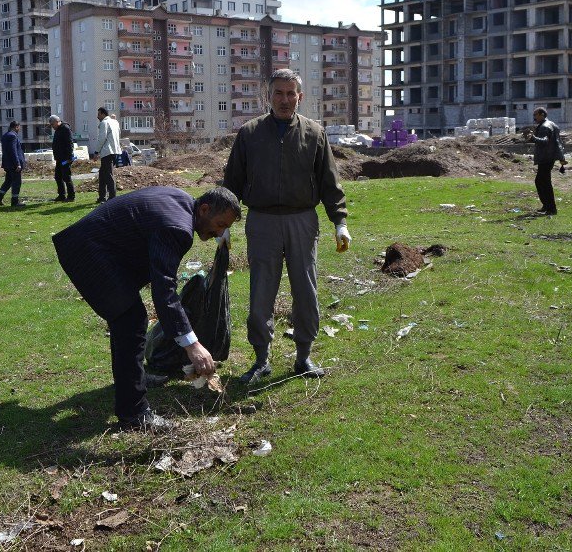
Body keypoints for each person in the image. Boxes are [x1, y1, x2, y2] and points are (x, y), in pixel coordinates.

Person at [52, 186, 241, 430]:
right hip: (88, 252)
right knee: (129, 320)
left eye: (225, 228)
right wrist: (193, 346)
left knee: (130, 319)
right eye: (220, 224)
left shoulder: (183, 201)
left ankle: (134, 378)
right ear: (204, 209)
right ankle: (135, 415)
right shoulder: (178, 228)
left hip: (101, 249)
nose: (220, 233)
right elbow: (164, 291)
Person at [223, 68, 352, 384]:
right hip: (262, 222)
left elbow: (329, 182)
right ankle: (261, 358)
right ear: (269, 96)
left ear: (300, 97)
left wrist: (340, 222)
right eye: (278, 93)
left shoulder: (314, 133)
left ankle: (303, 356)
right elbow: (233, 182)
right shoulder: (250, 134)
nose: (284, 99)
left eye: (290, 93)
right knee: (260, 293)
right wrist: (224, 223)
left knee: (305, 290)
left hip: (302, 221)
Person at [530, 106, 567, 215]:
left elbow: (545, 141)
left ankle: (551, 208)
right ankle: (547, 206)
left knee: (543, 182)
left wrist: (533, 138)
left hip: (545, 158)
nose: (534, 118)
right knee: (542, 182)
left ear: (542, 115)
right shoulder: (552, 124)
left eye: (535, 115)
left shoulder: (544, 127)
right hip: (549, 157)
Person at [91, 107, 121, 204]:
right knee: (102, 174)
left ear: (103, 114)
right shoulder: (115, 122)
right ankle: (102, 197)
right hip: (114, 150)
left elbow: (101, 139)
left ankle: (112, 197)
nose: (97, 116)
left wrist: (96, 152)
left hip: (107, 152)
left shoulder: (104, 123)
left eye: (99, 114)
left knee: (108, 174)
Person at [0, 120, 25, 207]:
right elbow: (13, 151)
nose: (19, 129)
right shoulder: (13, 136)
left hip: (7, 164)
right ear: (16, 127)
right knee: (16, 182)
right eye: (19, 128)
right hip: (13, 164)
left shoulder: (5, 135)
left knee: (8, 181)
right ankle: (15, 201)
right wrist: (17, 163)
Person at [48, 114, 75, 202]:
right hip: (59, 158)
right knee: (58, 176)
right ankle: (61, 195)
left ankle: (71, 196)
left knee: (66, 176)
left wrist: (69, 157)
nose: (52, 127)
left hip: (65, 158)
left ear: (57, 122)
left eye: (52, 124)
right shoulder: (58, 130)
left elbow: (70, 143)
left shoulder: (65, 129)